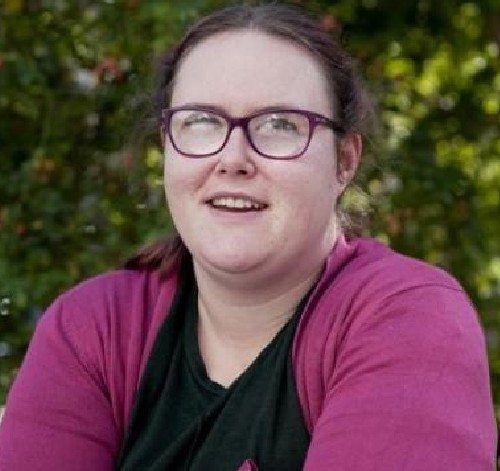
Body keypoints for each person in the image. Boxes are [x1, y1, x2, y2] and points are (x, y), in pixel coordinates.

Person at [0, 4, 496, 470]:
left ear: (344, 161)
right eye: (200, 122)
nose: (232, 158)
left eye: (280, 124)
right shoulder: (94, 329)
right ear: (166, 146)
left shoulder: (406, 316)